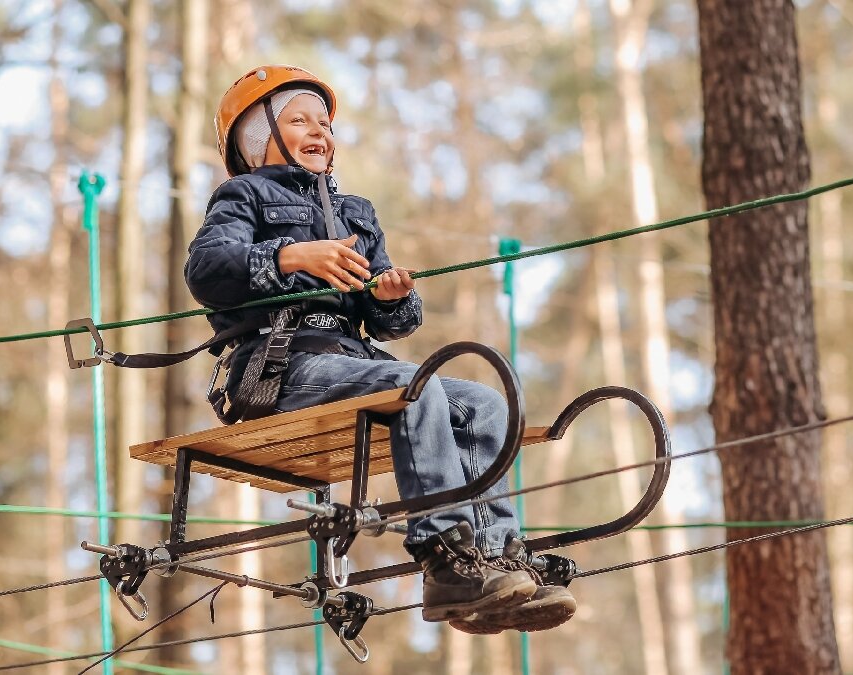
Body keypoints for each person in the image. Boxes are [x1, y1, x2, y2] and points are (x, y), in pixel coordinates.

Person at [185, 65, 575, 634]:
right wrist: (291, 257)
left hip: (355, 360)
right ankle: (445, 554)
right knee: (415, 387)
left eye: (325, 122)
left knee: (485, 405)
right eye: (299, 120)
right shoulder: (242, 196)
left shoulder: (356, 213)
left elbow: (393, 324)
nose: (320, 131)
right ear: (255, 137)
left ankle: (495, 555)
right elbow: (206, 269)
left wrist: (391, 297)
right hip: (281, 365)